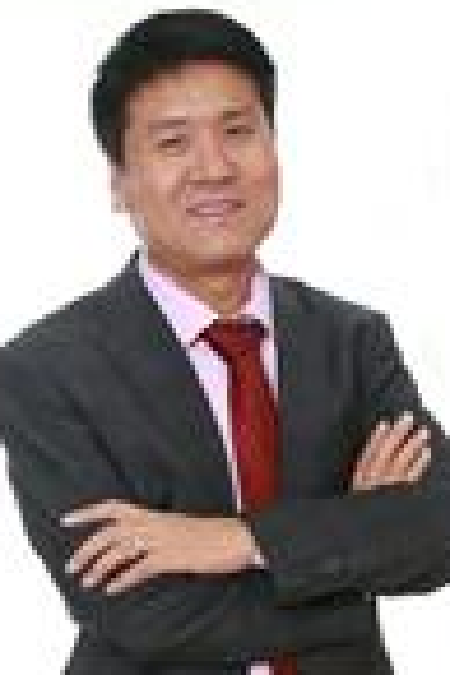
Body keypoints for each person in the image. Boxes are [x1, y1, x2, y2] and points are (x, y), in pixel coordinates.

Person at [0, 8, 449, 675]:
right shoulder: (47, 368)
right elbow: (140, 613)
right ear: (119, 181)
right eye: (173, 142)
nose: (213, 168)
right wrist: (349, 561)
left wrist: (235, 539)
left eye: (238, 131)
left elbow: (438, 529)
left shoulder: (351, 339)